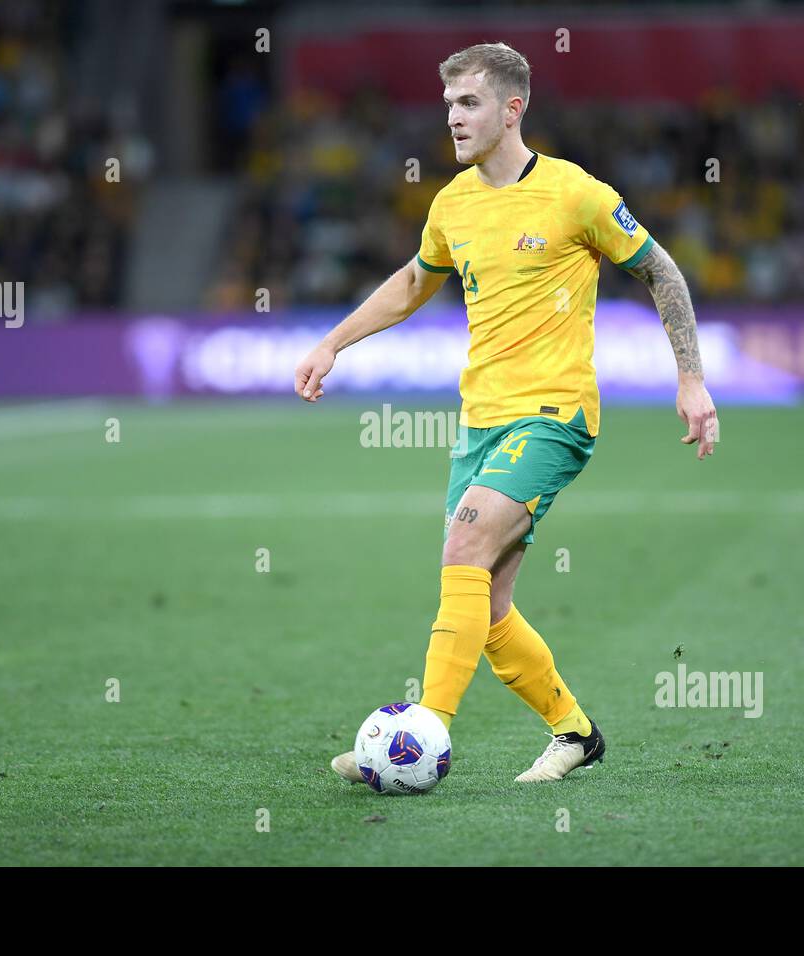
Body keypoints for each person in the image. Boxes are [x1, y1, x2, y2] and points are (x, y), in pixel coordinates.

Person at [294, 42, 718, 783]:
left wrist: (691, 379)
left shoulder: (575, 193)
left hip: (554, 417)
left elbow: (659, 269)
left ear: (512, 108)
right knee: (486, 609)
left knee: (462, 549)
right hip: (480, 421)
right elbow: (412, 282)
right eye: (449, 103)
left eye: (469, 103)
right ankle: (575, 733)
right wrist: (333, 342)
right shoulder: (452, 202)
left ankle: (415, 739)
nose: (452, 117)